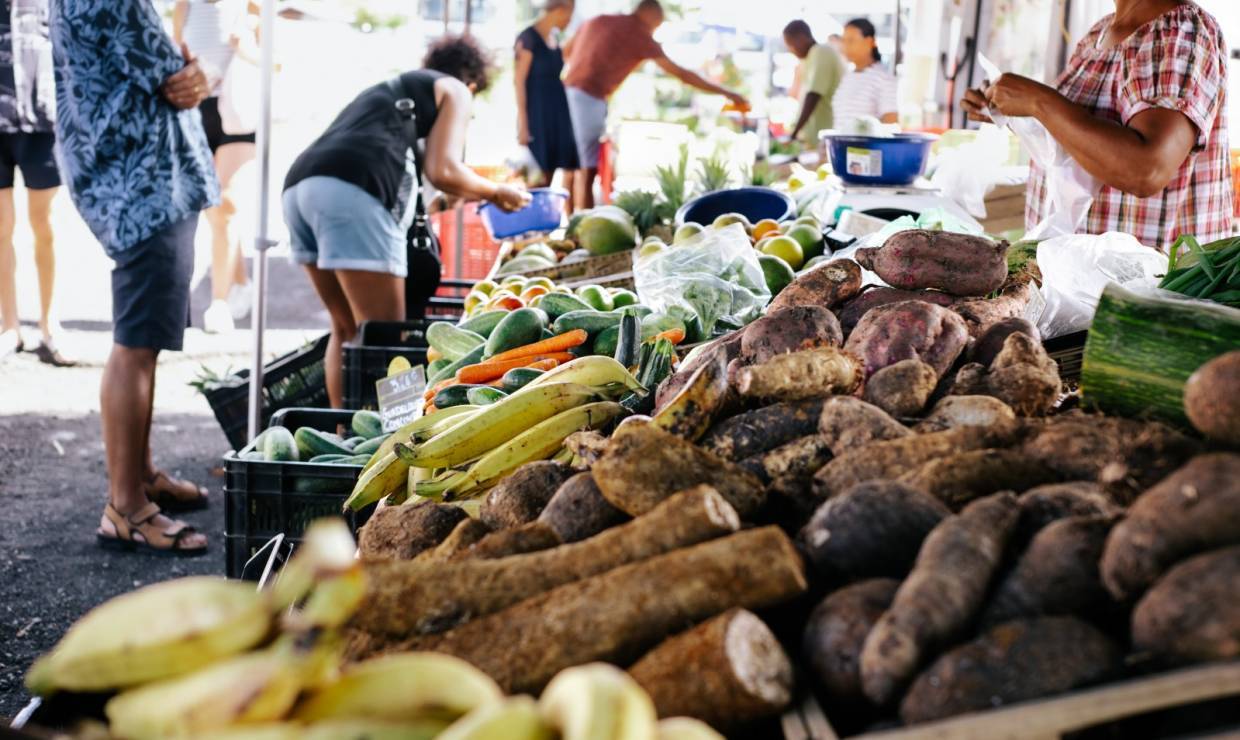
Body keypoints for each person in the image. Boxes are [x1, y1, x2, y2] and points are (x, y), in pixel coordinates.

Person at [52, 0, 219, 554]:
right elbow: (178, 78)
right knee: (136, 344)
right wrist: (199, 70)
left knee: (143, 341)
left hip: (139, 184)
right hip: (143, 187)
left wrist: (190, 68)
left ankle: (141, 476)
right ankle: (126, 507)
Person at [283, 36, 529, 409]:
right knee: (387, 341)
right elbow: (443, 169)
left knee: (346, 329)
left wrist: (453, 195)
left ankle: (339, 434)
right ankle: (389, 444)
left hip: (301, 186)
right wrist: (496, 192)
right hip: (355, 187)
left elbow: (423, 186)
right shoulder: (457, 90)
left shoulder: (392, 95)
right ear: (474, 82)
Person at [962, 0, 1232, 250]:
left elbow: (1147, 169)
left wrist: (1038, 101)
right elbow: (1076, 135)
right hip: (1079, 280)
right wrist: (1012, 111)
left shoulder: (1181, 31)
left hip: (1139, 292)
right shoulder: (1099, 34)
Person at [562, 0, 748, 210]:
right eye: (657, 25)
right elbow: (681, 74)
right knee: (588, 170)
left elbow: (566, 52)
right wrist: (727, 92)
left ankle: (568, 225)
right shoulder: (639, 34)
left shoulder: (598, 21)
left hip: (565, 92)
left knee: (569, 166)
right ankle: (585, 228)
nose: (655, 30)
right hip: (589, 98)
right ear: (650, 15)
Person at [173, 0, 257, 334]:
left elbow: (276, 65)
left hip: (238, 110)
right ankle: (240, 279)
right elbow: (172, 57)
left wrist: (246, 47)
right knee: (211, 207)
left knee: (224, 202)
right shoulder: (185, 6)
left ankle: (219, 303)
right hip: (196, 110)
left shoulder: (249, 6)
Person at [0, 0, 73, 365]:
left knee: (45, 225)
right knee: (1, 228)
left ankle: (50, 323)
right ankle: (9, 326)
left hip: (42, 117)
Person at [514, 0, 578, 193]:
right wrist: (523, 124)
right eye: (569, 15)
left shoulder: (555, 37)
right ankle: (529, 220)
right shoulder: (527, 39)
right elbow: (519, 82)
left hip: (557, 110)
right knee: (535, 176)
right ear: (560, 10)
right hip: (537, 113)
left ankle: (542, 219)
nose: (569, 20)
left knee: (550, 172)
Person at [783, 19, 845, 148]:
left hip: (826, 138)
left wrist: (793, 134)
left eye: (790, 44)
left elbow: (813, 95)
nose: (791, 50)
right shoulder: (809, 57)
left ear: (801, 38)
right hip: (814, 140)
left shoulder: (822, 51)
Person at [832, 18, 899, 132]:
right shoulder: (848, 77)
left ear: (869, 42)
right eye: (844, 41)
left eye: (851, 41)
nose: (845, 46)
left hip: (864, 149)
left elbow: (891, 125)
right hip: (840, 147)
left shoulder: (883, 78)